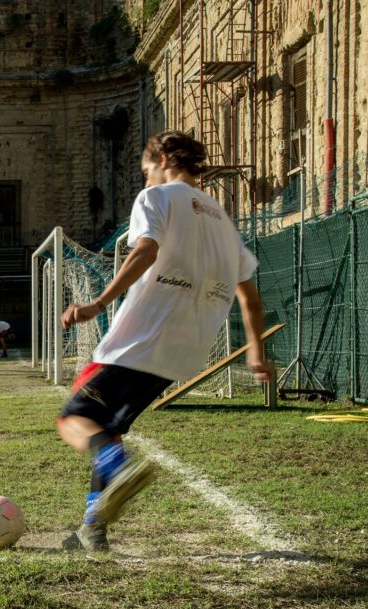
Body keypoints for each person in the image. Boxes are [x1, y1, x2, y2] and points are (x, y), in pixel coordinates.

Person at [57, 130, 273, 552]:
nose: (145, 181)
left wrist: (98, 303)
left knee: (74, 419)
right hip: (183, 354)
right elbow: (250, 297)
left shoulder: (157, 199)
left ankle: (116, 473)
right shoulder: (224, 223)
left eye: (146, 171)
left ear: (163, 159)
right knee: (109, 431)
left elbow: (146, 250)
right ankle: (92, 528)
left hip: (138, 340)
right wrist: (257, 354)